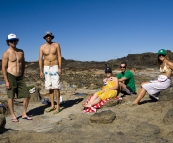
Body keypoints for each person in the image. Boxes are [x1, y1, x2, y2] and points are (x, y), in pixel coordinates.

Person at [2, 33, 32, 122]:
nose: (13, 42)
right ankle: (13, 115)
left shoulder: (21, 52)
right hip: (10, 76)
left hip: (20, 77)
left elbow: (22, 64)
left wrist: (22, 73)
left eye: (14, 40)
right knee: (11, 97)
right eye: (11, 41)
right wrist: (6, 81)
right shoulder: (6, 53)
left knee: (27, 95)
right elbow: (3, 68)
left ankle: (24, 114)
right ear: (8, 42)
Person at [39, 32, 62, 114]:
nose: (48, 37)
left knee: (56, 87)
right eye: (47, 36)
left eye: (49, 36)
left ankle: (58, 106)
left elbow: (59, 56)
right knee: (50, 87)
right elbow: (40, 59)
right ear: (45, 37)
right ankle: (52, 105)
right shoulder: (42, 47)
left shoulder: (56, 45)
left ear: (52, 37)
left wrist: (60, 68)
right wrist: (41, 70)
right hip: (46, 67)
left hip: (55, 66)